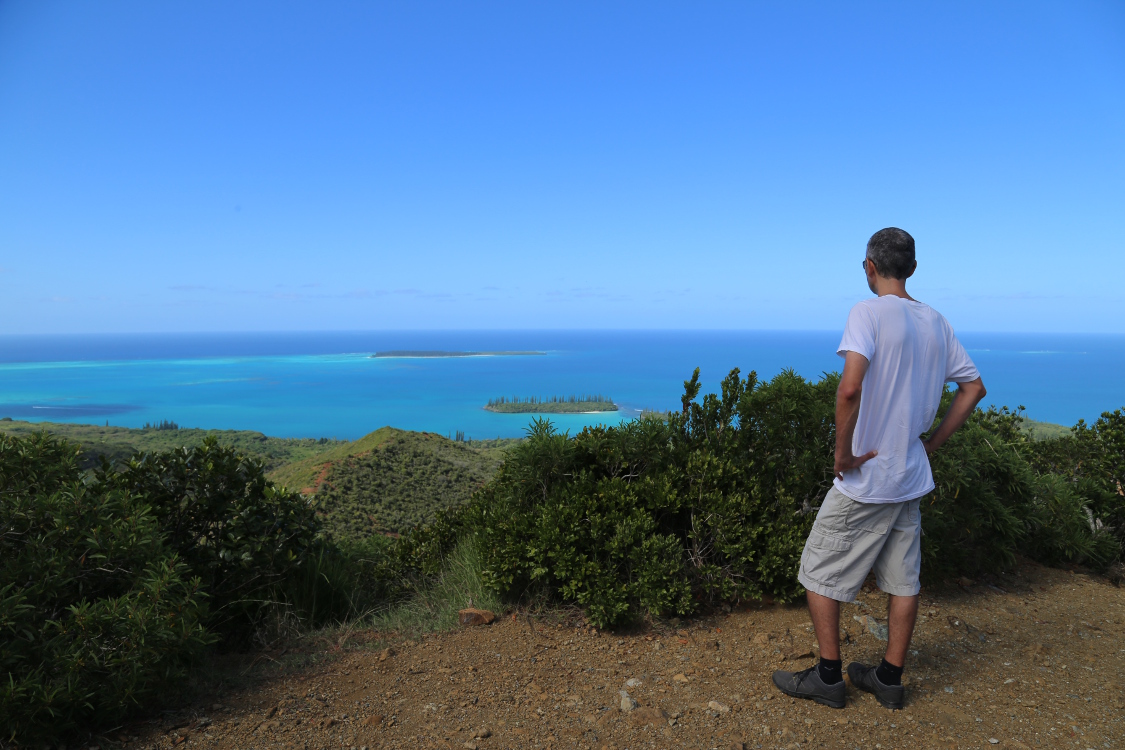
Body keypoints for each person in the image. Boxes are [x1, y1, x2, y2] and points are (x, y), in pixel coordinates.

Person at [771, 227, 987, 710]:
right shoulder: (936, 322)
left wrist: (842, 454)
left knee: (818, 572)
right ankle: (889, 679)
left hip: (867, 478)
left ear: (869, 266)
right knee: (903, 580)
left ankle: (829, 678)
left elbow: (850, 389)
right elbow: (973, 388)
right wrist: (932, 443)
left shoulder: (866, 313)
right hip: (909, 475)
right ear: (912, 268)